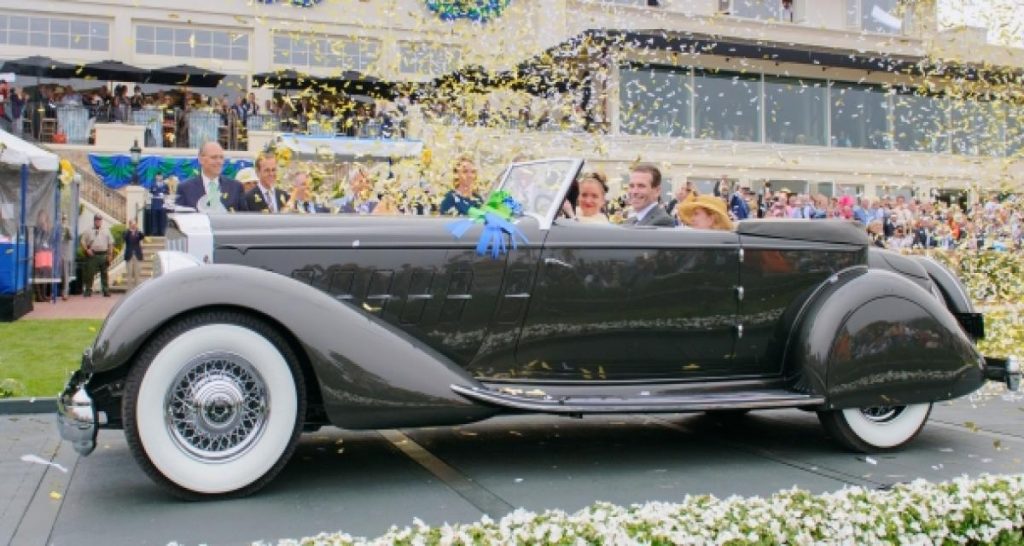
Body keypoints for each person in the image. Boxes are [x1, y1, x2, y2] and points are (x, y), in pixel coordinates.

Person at [174, 141, 246, 211]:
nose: (219, 161)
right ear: (201, 160)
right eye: (214, 157)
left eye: (221, 157)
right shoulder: (185, 188)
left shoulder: (236, 187)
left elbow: (244, 216)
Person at [80, 214, 114, 297]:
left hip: (103, 254)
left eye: (100, 220)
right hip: (93, 254)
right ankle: (88, 290)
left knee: (104, 274)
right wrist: (87, 250)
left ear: (101, 221)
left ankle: (105, 290)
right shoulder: (88, 230)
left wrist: (110, 255)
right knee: (90, 273)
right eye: (97, 220)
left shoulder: (106, 230)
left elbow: (110, 243)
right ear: (94, 221)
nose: (98, 222)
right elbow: (82, 241)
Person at [122, 219, 145, 290]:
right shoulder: (126, 232)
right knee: (129, 273)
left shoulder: (138, 232)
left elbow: (142, 236)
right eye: (132, 224)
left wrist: (138, 230)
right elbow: (124, 237)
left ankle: (137, 290)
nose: (134, 226)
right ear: (129, 225)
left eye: (135, 224)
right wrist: (129, 231)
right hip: (129, 255)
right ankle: (129, 290)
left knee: (137, 273)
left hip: (137, 255)